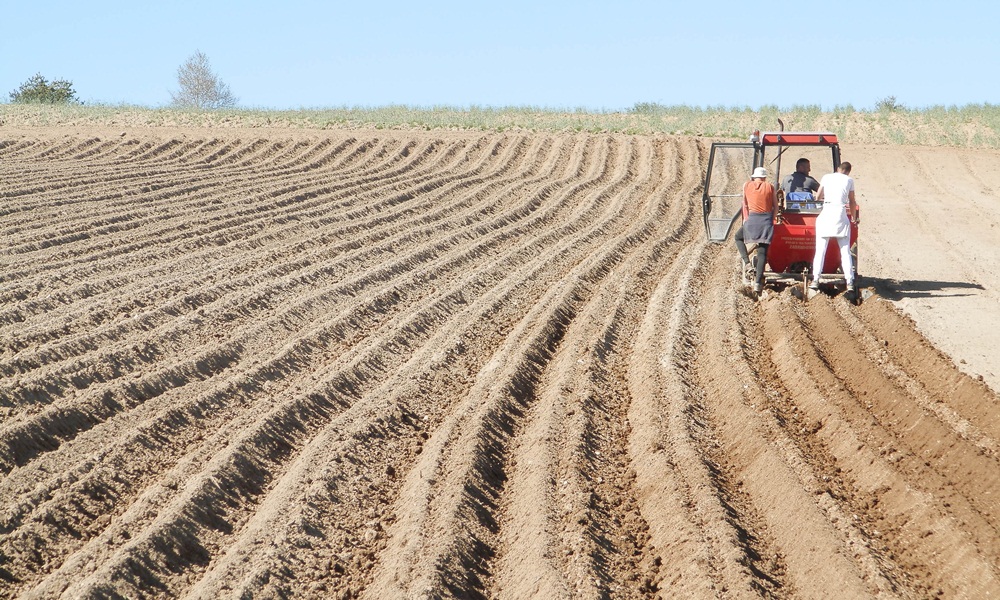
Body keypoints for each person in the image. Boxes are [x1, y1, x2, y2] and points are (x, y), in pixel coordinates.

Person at [810, 162, 858, 292]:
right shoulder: (849, 180)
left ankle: (815, 279)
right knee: (845, 251)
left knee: (820, 250)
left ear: (838, 169)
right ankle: (849, 281)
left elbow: (818, 196)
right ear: (848, 171)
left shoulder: (826, 177)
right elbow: (852, 201)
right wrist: (853, 217)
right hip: (840, 214)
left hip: (826, 213)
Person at [735, 166, 778, 294]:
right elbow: (775, 206)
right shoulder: (770, 187)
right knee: (762, 252)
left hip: (752, 219)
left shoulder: (747, 185)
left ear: (754, 177)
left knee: (738, 237)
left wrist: (747, 219)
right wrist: (772, 220)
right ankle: (758, 283)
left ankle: (747, 263)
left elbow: (745, 204)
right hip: (766, 221)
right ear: (764, 177)